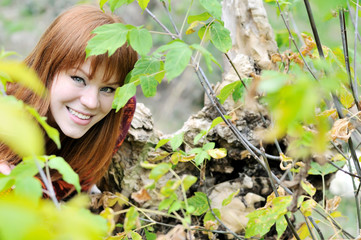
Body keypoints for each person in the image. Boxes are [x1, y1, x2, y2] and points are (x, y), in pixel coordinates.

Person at [0, 5, 138, 200]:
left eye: (107, 89)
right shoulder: (6, 104)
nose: (91, 102)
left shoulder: (121, 109)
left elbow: (75, 188)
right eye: (78, 79)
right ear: (47, 66)